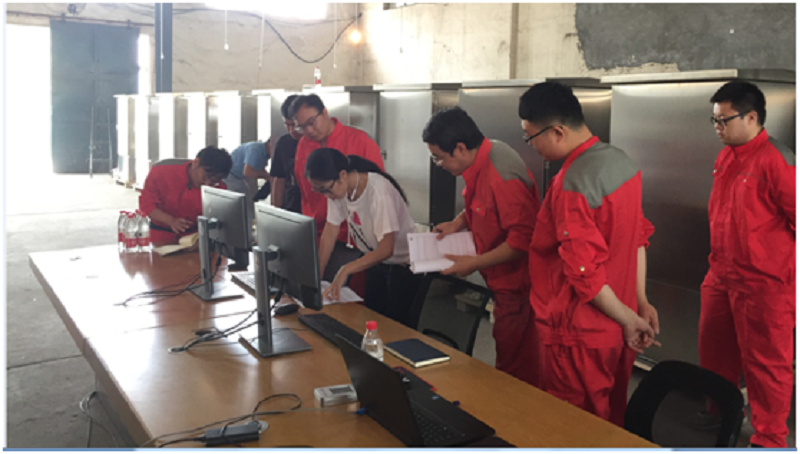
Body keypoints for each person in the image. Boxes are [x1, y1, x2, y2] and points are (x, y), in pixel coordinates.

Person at [519, 82, 659, 426]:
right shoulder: (621, 162)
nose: (530, 144)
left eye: (530, 136)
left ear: (557, 132)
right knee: (611, 419)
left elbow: (584, 273)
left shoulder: (573, 183)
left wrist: (630, 319)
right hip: (617, 322)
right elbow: (637, 239)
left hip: (579, 332)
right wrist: (638, 303)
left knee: (574, 426)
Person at [698, 81, 795, 448]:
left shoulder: (777, 161)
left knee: (766, 364)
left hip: (764, 285)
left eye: (723, 120)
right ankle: (721, 411)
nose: (717, 127)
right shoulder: (726, 157)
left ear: (751, 117)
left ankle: (770, 437)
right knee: (715, 351)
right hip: (721, 275)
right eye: (714, 120)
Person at [422, 106, 541, 387]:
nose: (439, 165)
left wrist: (473, 263)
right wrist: (457, 223)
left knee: (514, 365)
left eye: (439, 158)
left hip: (519, 287)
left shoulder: (501, 174)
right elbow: (480, 203)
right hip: (500, 282)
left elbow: (523, 239)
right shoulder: (481, 157)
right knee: (508, 354)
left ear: (460, 148)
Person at [305, 148, 423, 327]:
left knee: (395, 329)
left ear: (342, 175)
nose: (327, 196)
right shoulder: (339, 190)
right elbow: (331, 230)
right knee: (372, 321)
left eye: (326, 190)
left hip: (403, 267)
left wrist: (346, 269)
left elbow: (387, 248)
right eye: (320, 191)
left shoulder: (378, 191)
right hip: (376, 261)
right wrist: (318, 277)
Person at [139, 146, 232, 246]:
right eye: (205, 177)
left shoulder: (220, 186)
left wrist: (204, 239)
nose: (207, 184)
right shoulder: (161, 171)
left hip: (196, 236)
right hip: (162, 234)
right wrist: (171, 221)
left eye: (213, 181)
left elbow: (221, 220)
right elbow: (147, 205)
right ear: (195, 162)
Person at [223, 140, 270, 230]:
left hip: (237, 177)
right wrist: (268, 177)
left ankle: (247, 229)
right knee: (245, 206)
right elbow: (248, 172)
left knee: (247, 204)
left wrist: (271, 178)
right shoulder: (255, 149)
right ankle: (246, 232)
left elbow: (261, 170)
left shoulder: (265, 154)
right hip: (230, 176)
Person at [270, 94, 303, 213]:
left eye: (295, 125)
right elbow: (279, 179)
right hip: (290, 206)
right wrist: (276, 211)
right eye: (287, 125)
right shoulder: (284, 143)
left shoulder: (316, 141)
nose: (292, 130)